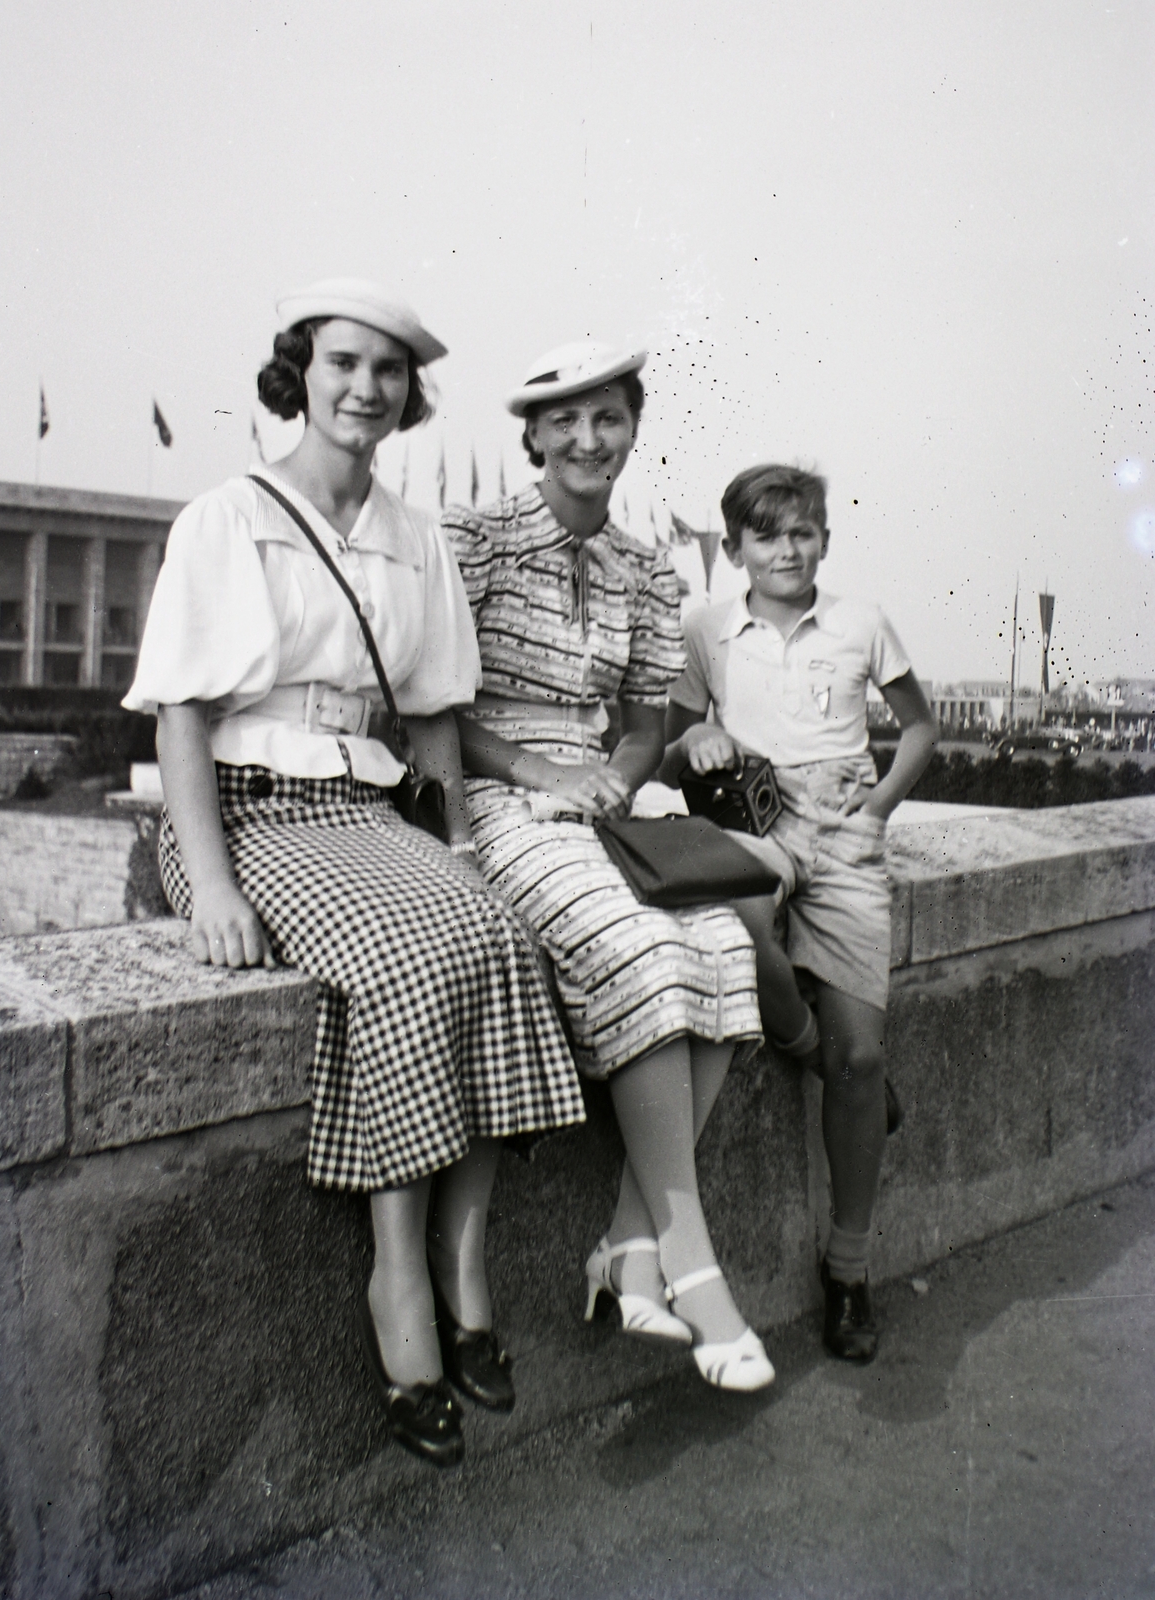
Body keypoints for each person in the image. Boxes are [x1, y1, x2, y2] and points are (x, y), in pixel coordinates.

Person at [123, 279, 584, 1467]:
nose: (363, 388)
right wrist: (212, 888)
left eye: (386, 371)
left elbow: (431, 712)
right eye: (341, 363)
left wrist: (460, 849)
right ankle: (397, 1289)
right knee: (397, 959)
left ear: (406, 393)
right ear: (300, 372)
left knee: (493, 935)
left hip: (365, 807)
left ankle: (463, 1264)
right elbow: (179, 716)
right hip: (246, 811)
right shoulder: (228, 517)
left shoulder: (412, 533)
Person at [442, 342, 774, 1393]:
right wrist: (542, 767)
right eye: (565, 422)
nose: (588, 441)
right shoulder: (475, 540)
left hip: (599, 804)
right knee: (645, 954)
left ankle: (628, 1246)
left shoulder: (643, 566)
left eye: (609, 420)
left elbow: (639, 725)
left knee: (721, 948)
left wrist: (615, 778)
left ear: (631, 430)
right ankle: (688, 1265)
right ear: (532, 436)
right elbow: (433, 710)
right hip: (497, 797)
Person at [660, 463, 937, 1362]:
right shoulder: (706, 627)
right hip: (757, 822)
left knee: (864, 1055)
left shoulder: (860, 623)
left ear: (825, 538)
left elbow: (920, 727)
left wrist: (881, 805)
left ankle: (849, 1269)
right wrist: (693, 737)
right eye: (768, 534)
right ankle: (805, 1047)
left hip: (845, 831)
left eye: (804, 531)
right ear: (733, 547)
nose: (788, 548)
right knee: (735, 906)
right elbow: (668, 754)